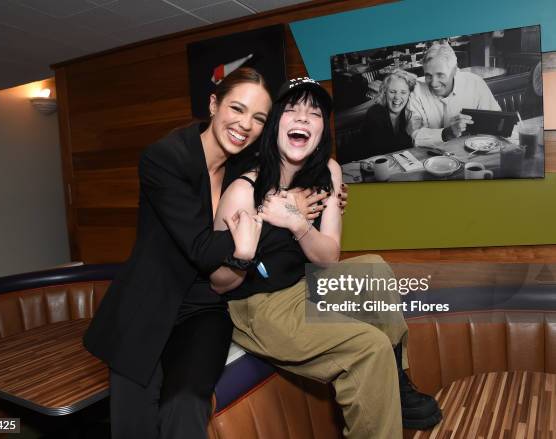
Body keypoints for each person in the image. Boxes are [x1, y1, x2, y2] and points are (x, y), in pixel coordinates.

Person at [83, 67, 345, 439]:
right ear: (213, 104)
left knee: (185, 406)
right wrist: (277, 216)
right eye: (237, 109)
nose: (245, 125)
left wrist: (329, 194)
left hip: (206, 304)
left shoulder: (247, 161)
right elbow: (203, 248)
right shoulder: (165, 158)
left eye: (258, 118)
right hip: (148, 302)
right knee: (133, 425)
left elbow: (293, 172)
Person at [210, 77, 442, 439]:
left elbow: (329, 257)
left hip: (304, 283)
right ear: (275, 125)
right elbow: (218, 282)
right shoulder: (245, 189)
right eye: (292, 110)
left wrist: (295, 222)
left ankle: (396, 384)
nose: (302, 118)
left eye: (314, 113)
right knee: (369, 347)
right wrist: (242, 252)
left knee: (374, 269)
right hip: (259, 303)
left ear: (321, 128)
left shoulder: (329, 172)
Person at [407, 42, 501, 146]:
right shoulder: (416, 90)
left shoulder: (475, 83)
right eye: (428, 76)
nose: (433, 83)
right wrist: (446, 133)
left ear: (455, 71)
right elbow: (415, 135)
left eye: (440, 75)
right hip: (429, 156)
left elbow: (496, 122)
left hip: (472, 151)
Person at [360, 69, 416, 157]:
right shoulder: (374, 114)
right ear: (385, 92)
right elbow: (381, 152)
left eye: (403, 92)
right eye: (392, 92)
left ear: (409, 94)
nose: (397, 97)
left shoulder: (411, 113)